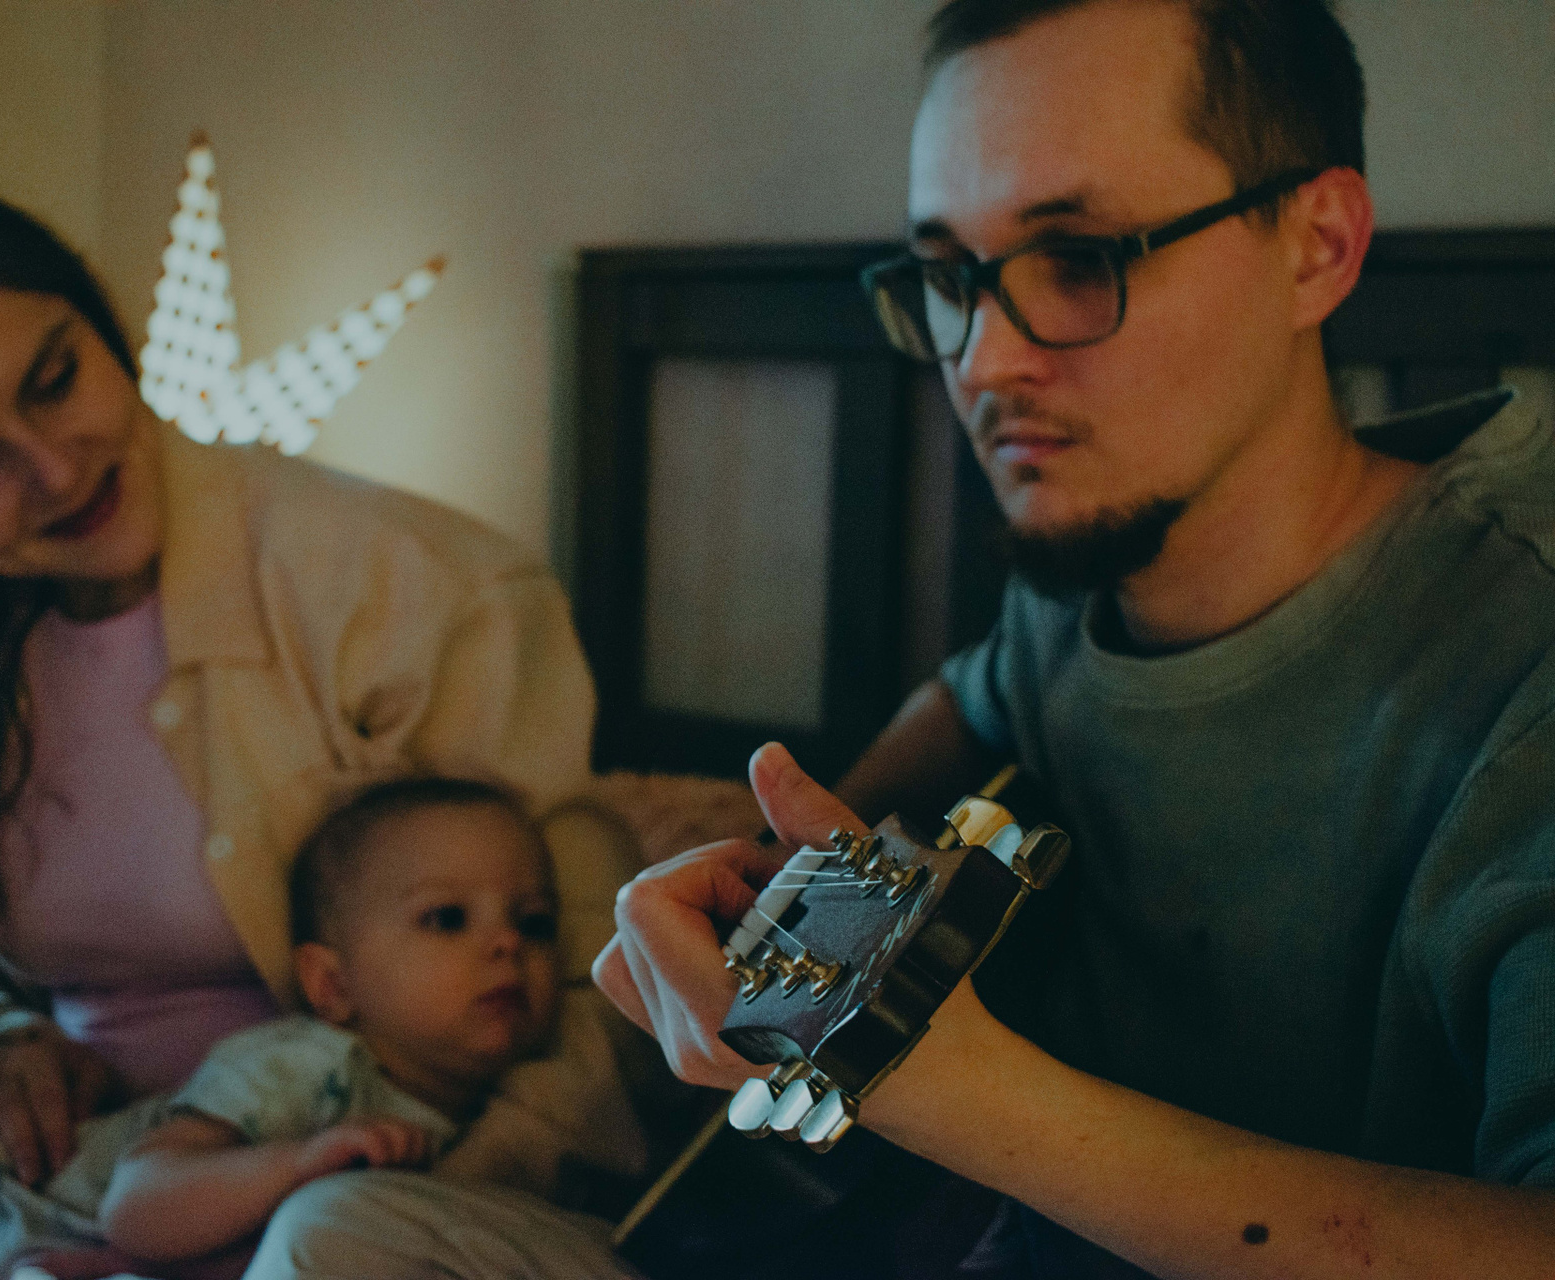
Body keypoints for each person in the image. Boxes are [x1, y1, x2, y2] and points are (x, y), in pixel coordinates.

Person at [596, 1, 1555, 1277]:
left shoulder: (1515, 659)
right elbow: (979, 699)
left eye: (1082, 256)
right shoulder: (1088, 564)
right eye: (951, 276)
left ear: (1316, 247)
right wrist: (778, 894)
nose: (985, 361)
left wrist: (945, 1083)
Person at [0, 178, 644, 1280]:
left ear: (96, 318)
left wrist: (384, 1208)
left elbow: (598, 1000)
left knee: (323, 1238)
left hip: (328, 1197)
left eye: (55, 379)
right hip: (59, 1174)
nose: (56, 471)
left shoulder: (414, 586)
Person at [0, 777, 629, 1280]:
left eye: (535, 922)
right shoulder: (306, 1064)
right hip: (61, 1230)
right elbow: (137, 1208)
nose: (508, 943)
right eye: (447, 918)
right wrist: (299, 1162)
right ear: (332, 986)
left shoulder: (507, 1117)